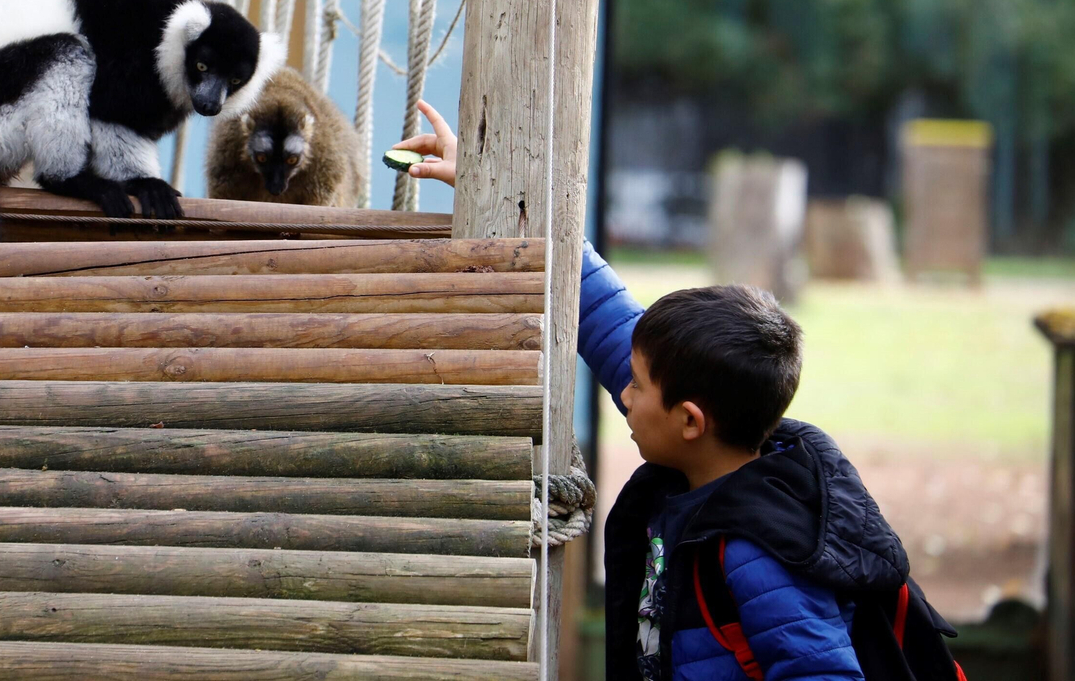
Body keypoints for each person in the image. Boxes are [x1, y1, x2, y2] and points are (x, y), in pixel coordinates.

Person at [396, 100, 963, 681]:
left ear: (690, 421)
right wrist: (486, 182)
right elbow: (605, 315)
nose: (624, 394)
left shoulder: (758, 553)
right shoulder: (710, 443)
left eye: (637, 387)